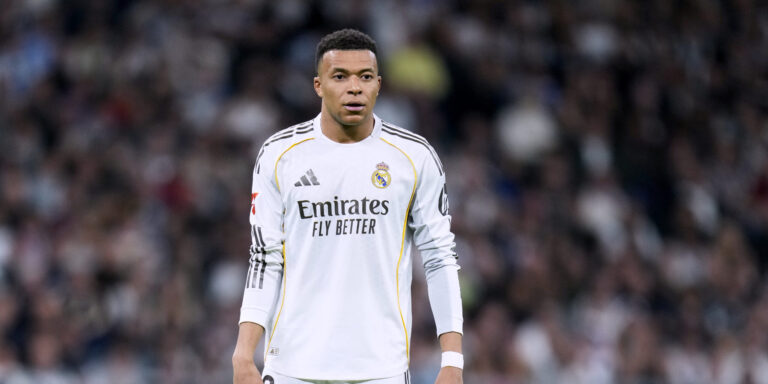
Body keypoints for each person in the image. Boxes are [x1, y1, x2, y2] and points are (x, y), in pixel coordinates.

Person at [232, 29, 463, 384]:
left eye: (365, 77)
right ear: (318, 86)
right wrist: (243, 352)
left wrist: (452, 360)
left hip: (380, 369)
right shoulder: (279, 156)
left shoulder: (414, 157)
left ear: (379, 85)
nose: (354, 87)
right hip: (292, 367)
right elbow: (265, 258)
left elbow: (439, 257)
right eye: (340, 76)